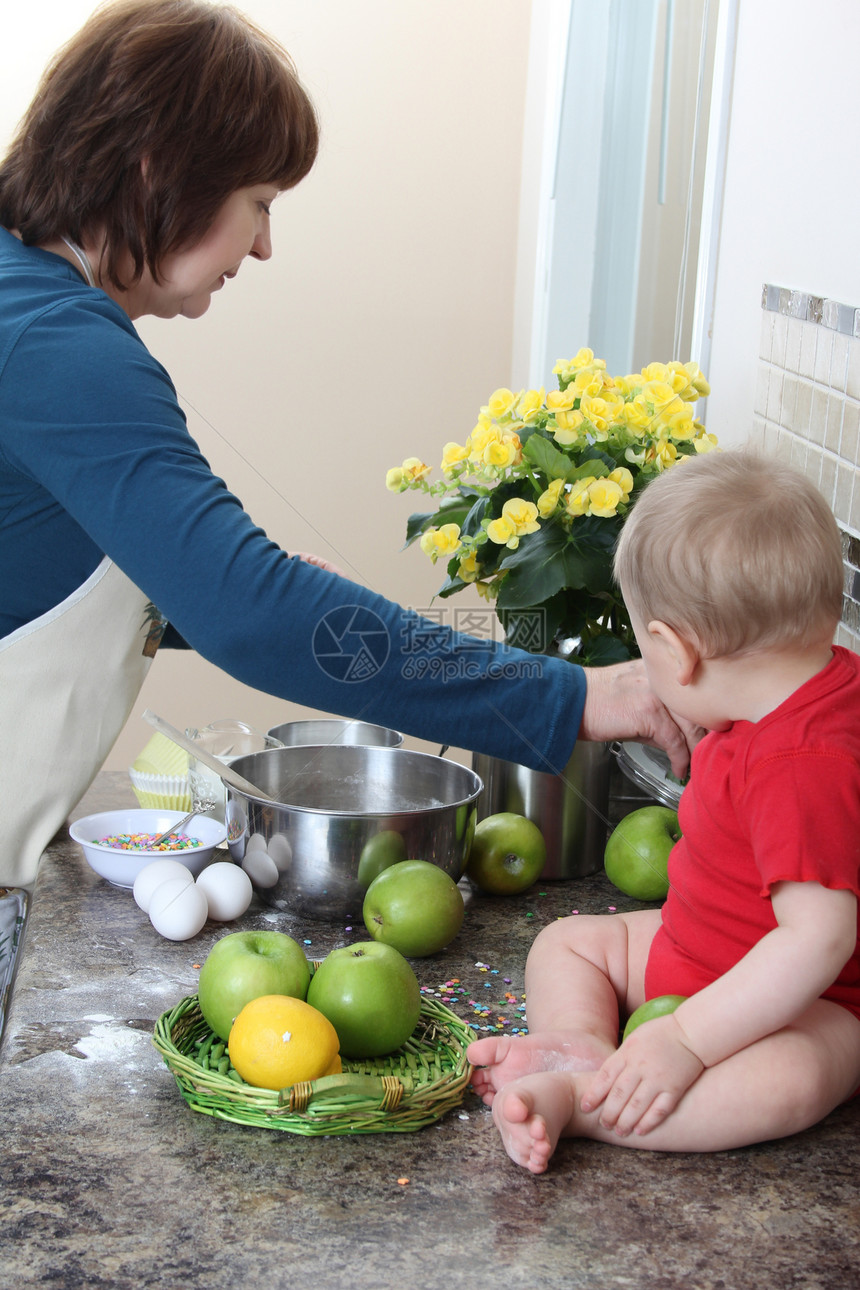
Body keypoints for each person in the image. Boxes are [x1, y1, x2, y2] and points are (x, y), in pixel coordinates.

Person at [0, 0, 696, 888]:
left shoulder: (24, 305)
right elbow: (254, 616)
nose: (262, 245)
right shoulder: (60, 344)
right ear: (156, 168)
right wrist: (580, 695)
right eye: (258, 201)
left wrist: (177, 593)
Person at [467, 451, 860, 1172]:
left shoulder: (802, 764)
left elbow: (818, 943)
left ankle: (591, 1107)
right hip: (696, 946)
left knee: (794, 1081)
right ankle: (581, 1047)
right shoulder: (784, 693)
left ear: (676, 653)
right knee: (569, 944)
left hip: (807, 1002)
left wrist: (686, 1039)